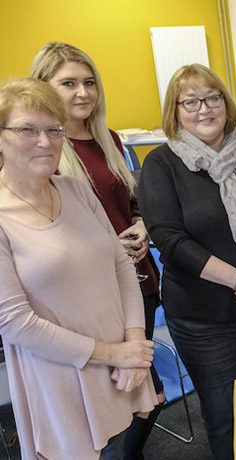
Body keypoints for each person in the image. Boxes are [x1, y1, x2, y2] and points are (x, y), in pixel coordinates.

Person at [0, 78, 157, 459]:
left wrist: (134, 345)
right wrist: (115, 354)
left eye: (54, 129)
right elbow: (14, 322)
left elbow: (121, 264)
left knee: (119, 450)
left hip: (119, 372)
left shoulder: (74, 189)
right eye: (27, 129)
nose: (45, 140)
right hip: (63, 383)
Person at [137, 64, 236, 460]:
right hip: (203, 320)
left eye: (212, 98)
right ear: (175, 111)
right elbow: (169, 239)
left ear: (226, 103)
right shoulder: (161, 164)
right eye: (191, 102)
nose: (204, 109)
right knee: (225, 417)